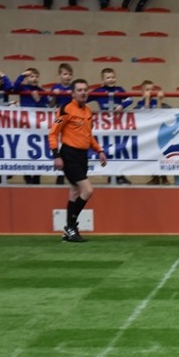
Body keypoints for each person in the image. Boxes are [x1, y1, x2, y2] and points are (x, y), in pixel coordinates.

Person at [48, 78, 109, 242]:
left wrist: (99, 150)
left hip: (82, 156)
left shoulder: (88, 111)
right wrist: (56, 155)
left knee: (75, 192)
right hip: (69, 154)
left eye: (85, 90)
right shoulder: (65, 109)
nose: (83, 93)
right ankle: (71, 226)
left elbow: (89, 136)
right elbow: (53, 133)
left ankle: (69, 231)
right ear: (73, 93)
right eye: (79, 90)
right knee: (87, 190)